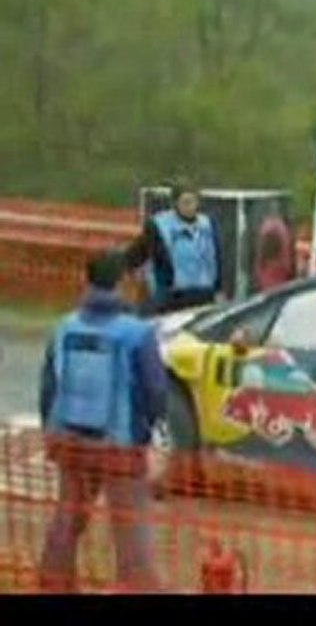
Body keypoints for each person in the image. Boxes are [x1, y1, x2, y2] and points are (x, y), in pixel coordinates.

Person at [38, 251, 167, 592]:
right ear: (123, 282)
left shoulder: (64, 327)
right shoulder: (137, 333)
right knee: (129, 524)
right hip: (119, 443)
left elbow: (48, 385)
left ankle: (55, 582)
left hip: (70, 439)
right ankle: (135, 586)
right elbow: (155, 390)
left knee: (69, 514)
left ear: (87, 279)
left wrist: (51, 431)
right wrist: (148, 431)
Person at [125, 179, 223, 315]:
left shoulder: (208, 224)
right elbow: (137, 253)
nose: (190, 207)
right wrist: (133, 271)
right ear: (175, 203)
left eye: (193, 202)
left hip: (205, 292)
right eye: (185, 202)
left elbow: (217, 257)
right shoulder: (159, 225)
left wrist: (218, 288)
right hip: (172, 295)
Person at [254, 204, 296, 292]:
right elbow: (287, 264)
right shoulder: (282, 230)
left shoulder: (267, 227)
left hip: (267, 275)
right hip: (279, 278)